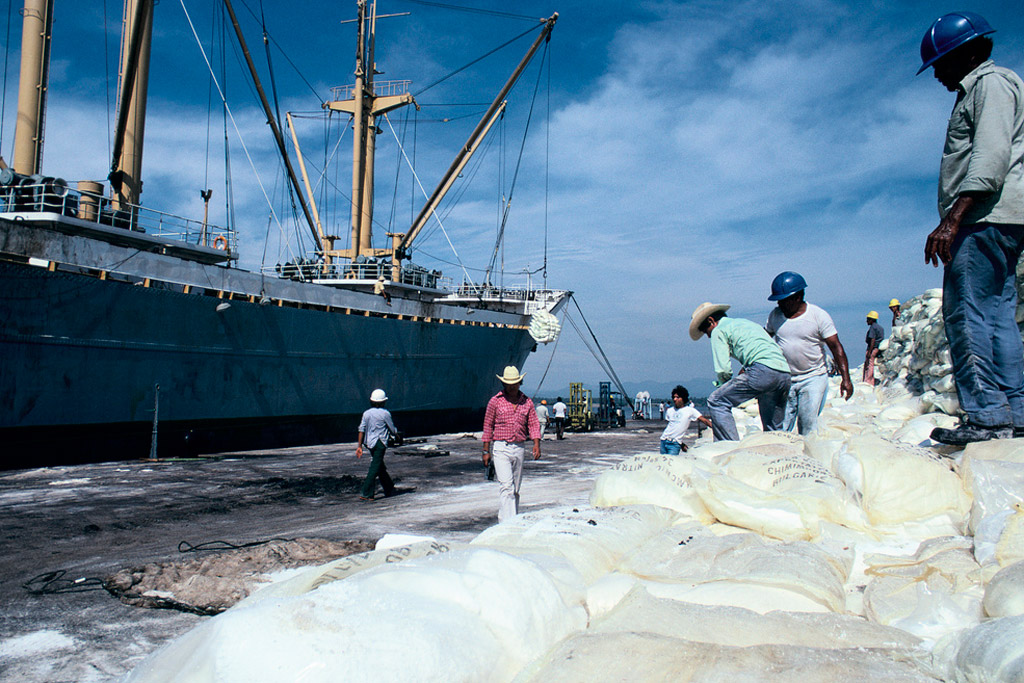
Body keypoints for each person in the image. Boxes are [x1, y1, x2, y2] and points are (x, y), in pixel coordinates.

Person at [917, 12, 1024, 445]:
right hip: (1001, 218)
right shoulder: (992, 86)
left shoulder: (989, 85)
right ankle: (1014, 413)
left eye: (943, 63)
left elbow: (990, 156)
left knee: (966, 315)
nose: (939, 75)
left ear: (973, 51)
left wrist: (952, 219)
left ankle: (986, 416)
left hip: (983, 218)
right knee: (998, 316)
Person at [765, 272, 854, 435]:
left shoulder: (818, 316)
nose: (779, 304)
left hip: (813, 377)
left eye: (783, 300)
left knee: (807, 424)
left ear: (798, 297)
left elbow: (836, 347)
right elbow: (764, 339)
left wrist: (846, 379)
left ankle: (808, 456)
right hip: (786, 378)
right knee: (780, 426)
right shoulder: (775, 316)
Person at [689, 302, 791, 441]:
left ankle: (730, 449)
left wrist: (723, 385)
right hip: (784, 373)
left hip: (762, 371)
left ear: (711, 321)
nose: (708, 336)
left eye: (706, 331)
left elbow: (723, 369)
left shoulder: (719, 330)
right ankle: (779, 452)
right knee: (773, 429)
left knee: (717, 401)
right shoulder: (745, 323)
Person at [481, 366, 541, 521]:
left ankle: (508, 518)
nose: (512, 386)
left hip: (519, 447)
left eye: (515, 382)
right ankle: (509, 524)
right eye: (509, 383)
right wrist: (485, 450)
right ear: (504, 384)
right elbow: (488, 425)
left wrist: (536, 444)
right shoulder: (495, 402)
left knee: (514, 489)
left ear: (520, 382)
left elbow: (533, 424)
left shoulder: (526, 402)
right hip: (501, 447)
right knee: (506, 487)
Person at [355, 388, 398, 500]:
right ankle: (367, 493)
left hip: (369, 443)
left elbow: (361, 429)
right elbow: (392, 430)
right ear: (383, 401)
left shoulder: (366, 413)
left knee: (379, 466)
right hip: (381, 443)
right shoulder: (385, 413)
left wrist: (359, 446)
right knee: (375, 467)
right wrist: (397, 435)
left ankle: (389, 488)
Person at [659, 385, 712, 454]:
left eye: (677, 397)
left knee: (671, 463)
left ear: (683, 398)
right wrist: (682, 444)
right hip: (664, 440)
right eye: (674, 397)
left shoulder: (690, 410)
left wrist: (718, 429)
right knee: (663, 463)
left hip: (674, 444)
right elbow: (672, 428)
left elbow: (704, 420)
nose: (675, 399)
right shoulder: (670, 410)